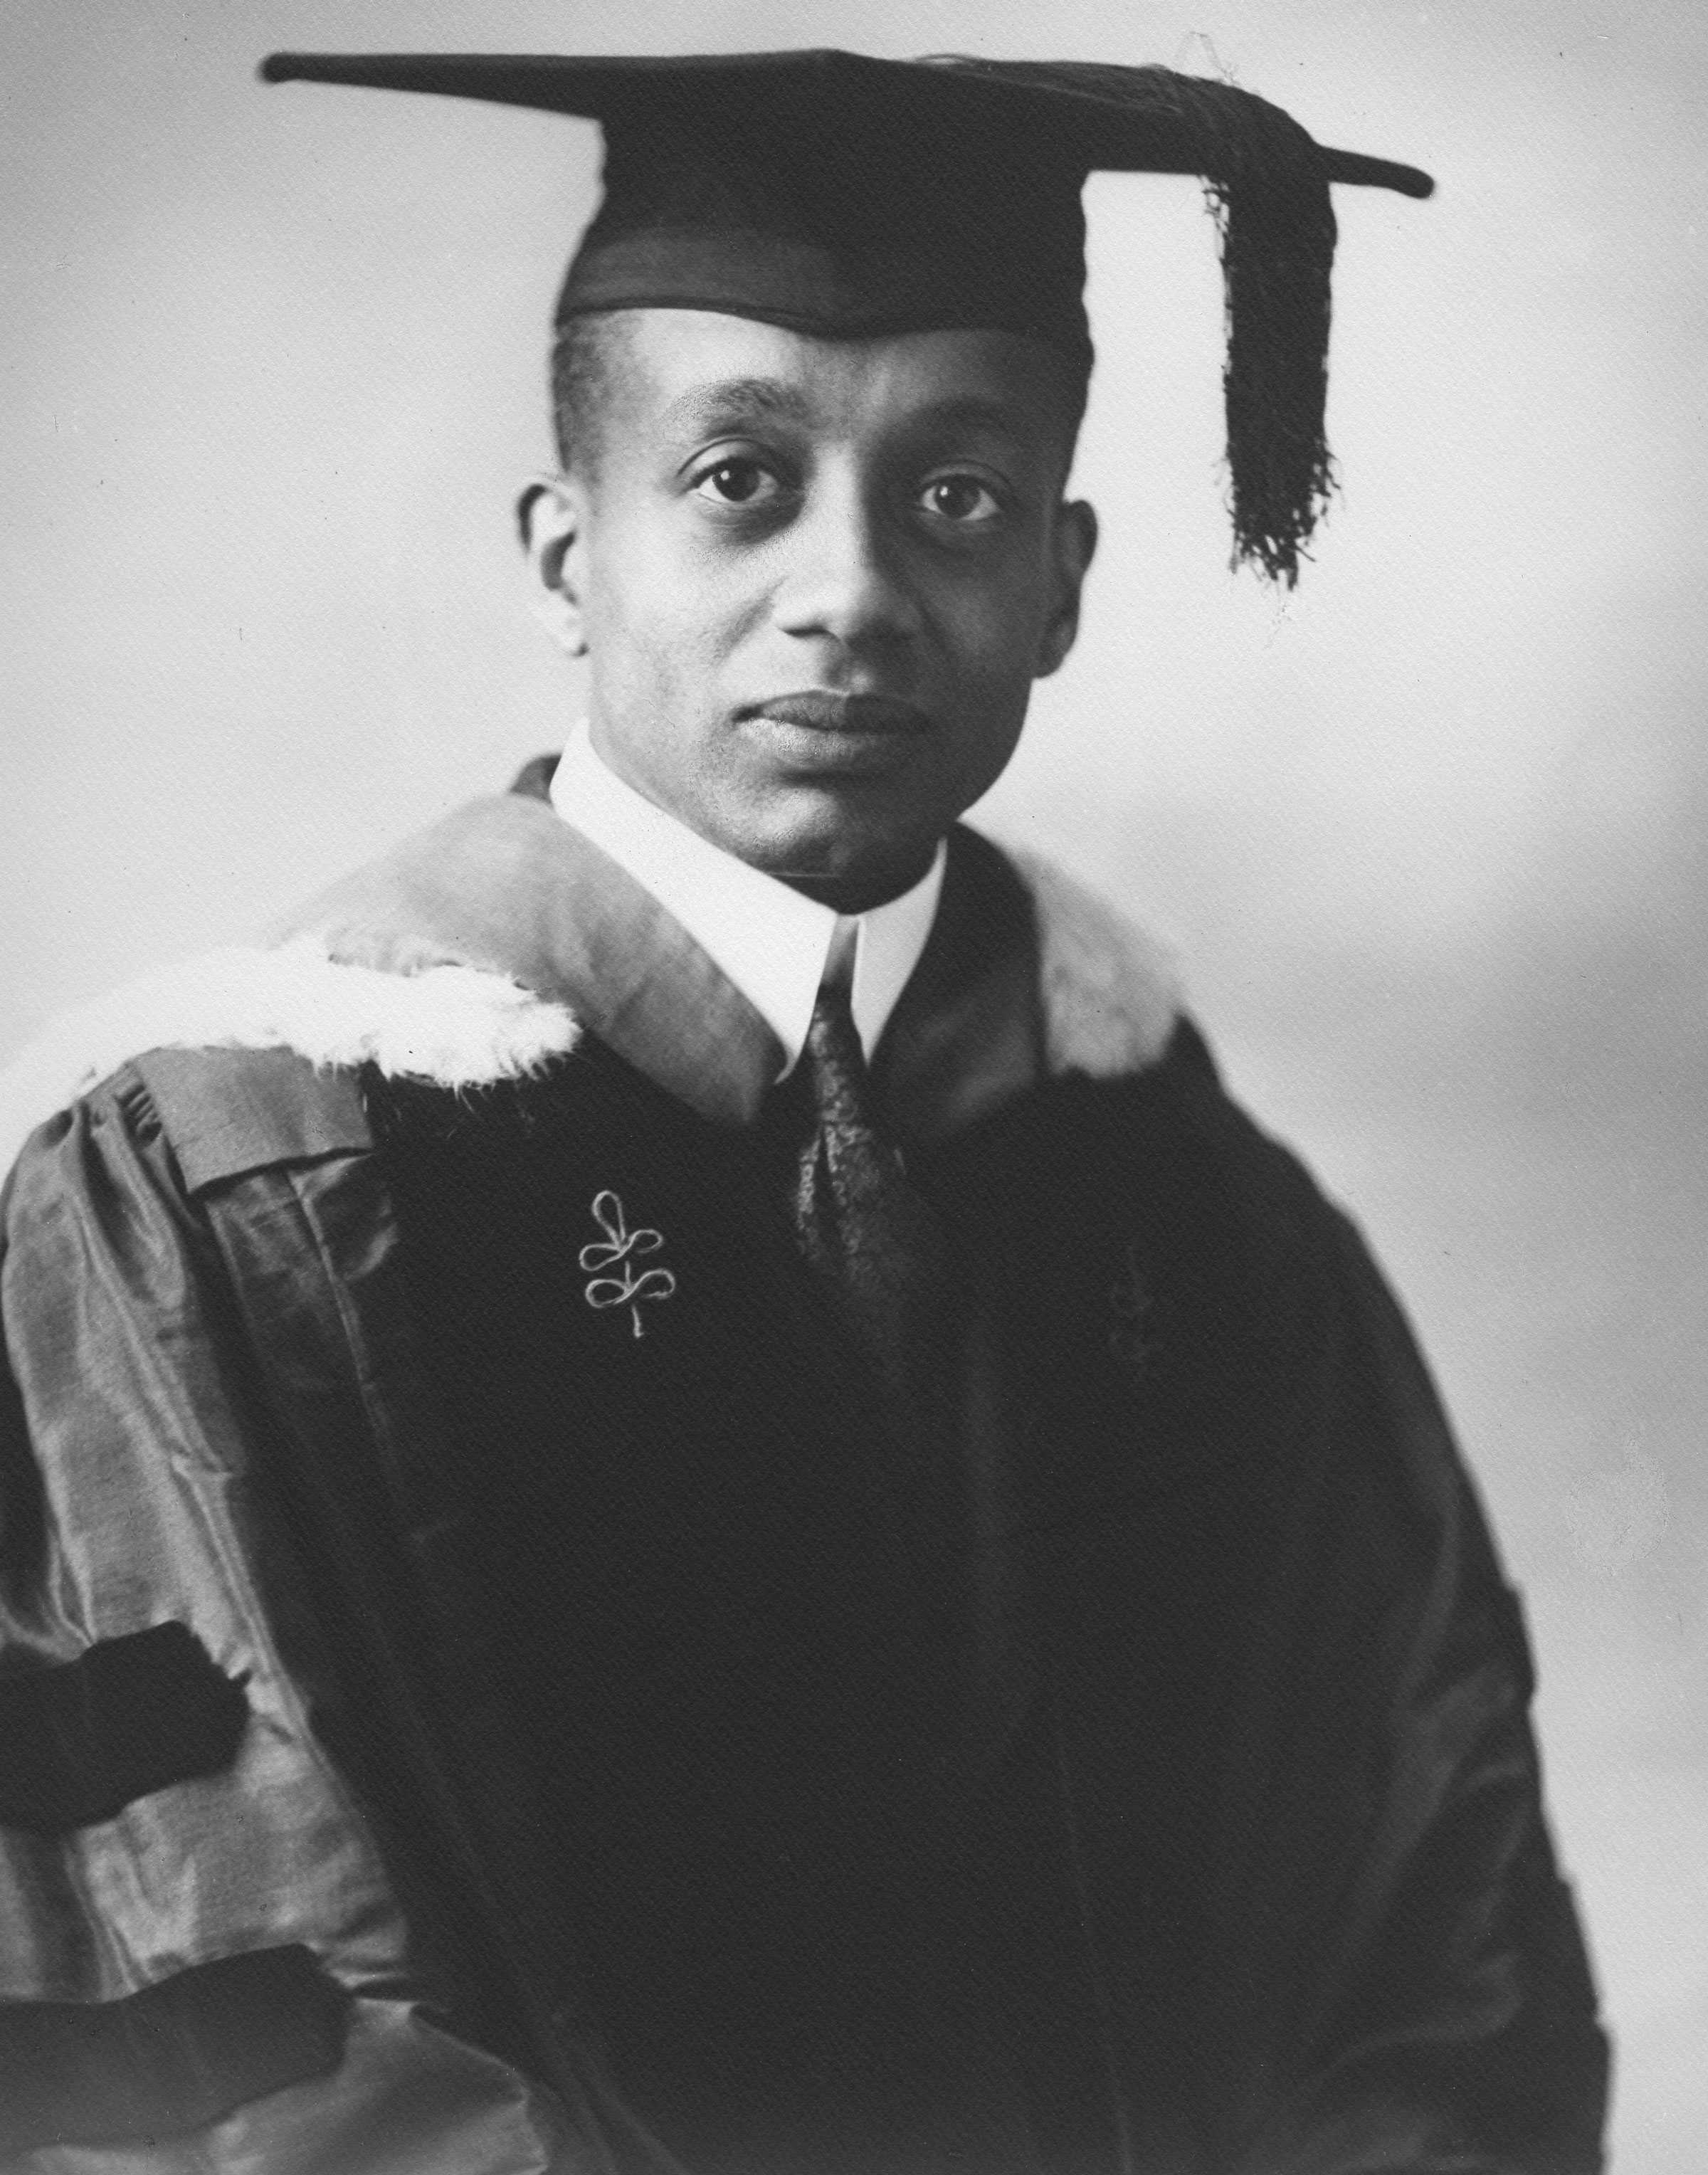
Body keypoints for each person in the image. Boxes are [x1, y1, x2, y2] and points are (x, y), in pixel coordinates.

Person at [0, 46, 1606, 2175]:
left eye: (957, 496)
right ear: (568, 555)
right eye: (741, 481)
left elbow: (1439, 1938)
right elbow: (236, 2028)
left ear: (1062, 577)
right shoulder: (228, 1192)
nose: (851, 590)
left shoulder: (1191, 1201)